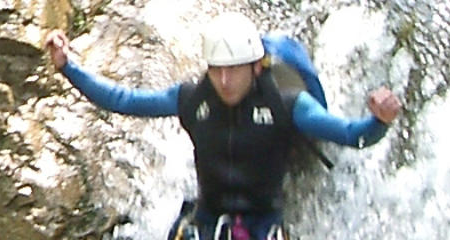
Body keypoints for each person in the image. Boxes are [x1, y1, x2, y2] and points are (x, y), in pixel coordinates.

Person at [42, 14, 403, 240]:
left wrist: (379, 121)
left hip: (263, 223)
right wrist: (68, 67)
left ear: (256, 67)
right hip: (207, 217)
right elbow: (124, 100)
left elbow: (350, 135)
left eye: (234, 69)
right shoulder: (193, 99)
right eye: (217, 70)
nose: (225, 81)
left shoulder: (287, 103)